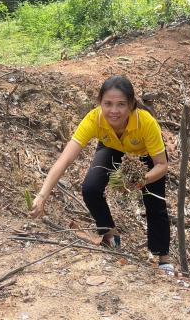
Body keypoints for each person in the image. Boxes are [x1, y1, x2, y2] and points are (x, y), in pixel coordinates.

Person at [30, 75, 173, 273]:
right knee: (91, 188)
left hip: (146, 156)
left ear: (131, 104)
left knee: (154, 202)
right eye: (108, 104)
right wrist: (42, 195)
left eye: (121, 104)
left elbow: (162, 166)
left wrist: (141, 180)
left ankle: (163, 257)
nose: (114, 111)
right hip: (112, 147)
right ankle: (110, 234)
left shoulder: (146, 122)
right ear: (100, 103)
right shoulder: (94, 119)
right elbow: (65, 159)